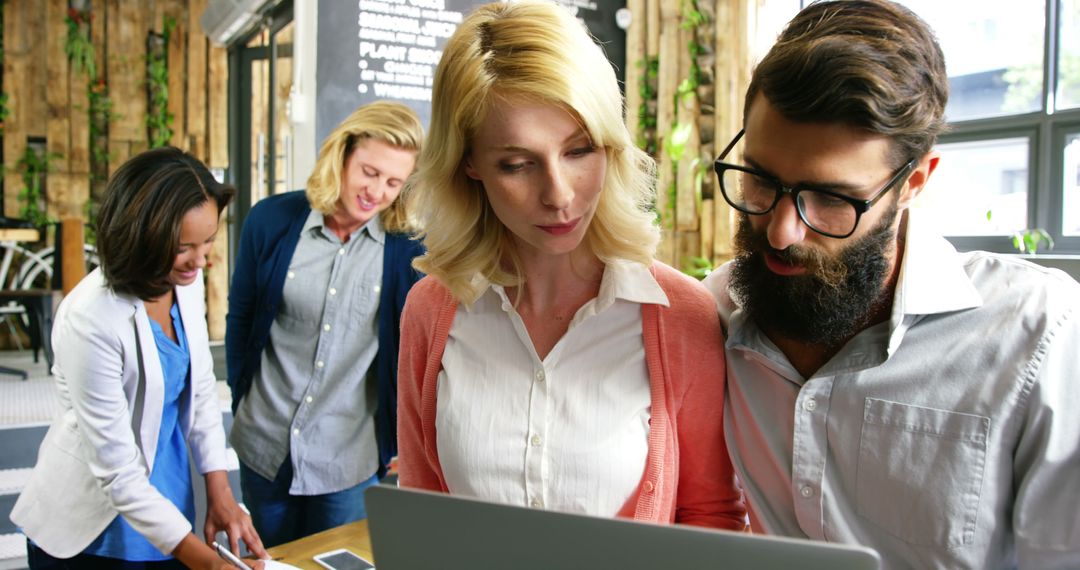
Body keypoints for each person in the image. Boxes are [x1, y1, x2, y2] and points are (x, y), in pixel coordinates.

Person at [703, 1, 1080, 567]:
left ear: (915, 182)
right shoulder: (710, 313)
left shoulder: (1038, 337)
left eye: (830, 199)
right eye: (760, 180)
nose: (780, 232)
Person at [397, 0, 746, 530]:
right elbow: (421, 509)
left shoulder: (681, 316)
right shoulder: (431, 311)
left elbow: (710, 517)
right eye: (517, 164)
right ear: (468, 163)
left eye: (580, 150)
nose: (559, 195)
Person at [11, 147, 266, 569]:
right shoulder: (90, 318)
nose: (200, 261)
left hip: (169, 500)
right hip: (93, 530)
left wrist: (220, 491)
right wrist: (210, 564)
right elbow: (118, 474)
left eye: (208, 243)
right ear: (142, 237)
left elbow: (201, 389)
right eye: (184, 247)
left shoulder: (182, 281)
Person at [226, 101, 425, 547]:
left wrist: (400, 437)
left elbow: (414, 349)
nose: (377, 192)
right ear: (343, 155)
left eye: (394, 182)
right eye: (369, 172)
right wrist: (242, 399)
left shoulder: (408, 251)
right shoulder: (271, 220)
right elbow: (241, 319)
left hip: (347, 458)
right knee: (270, 561)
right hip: (264, 444)